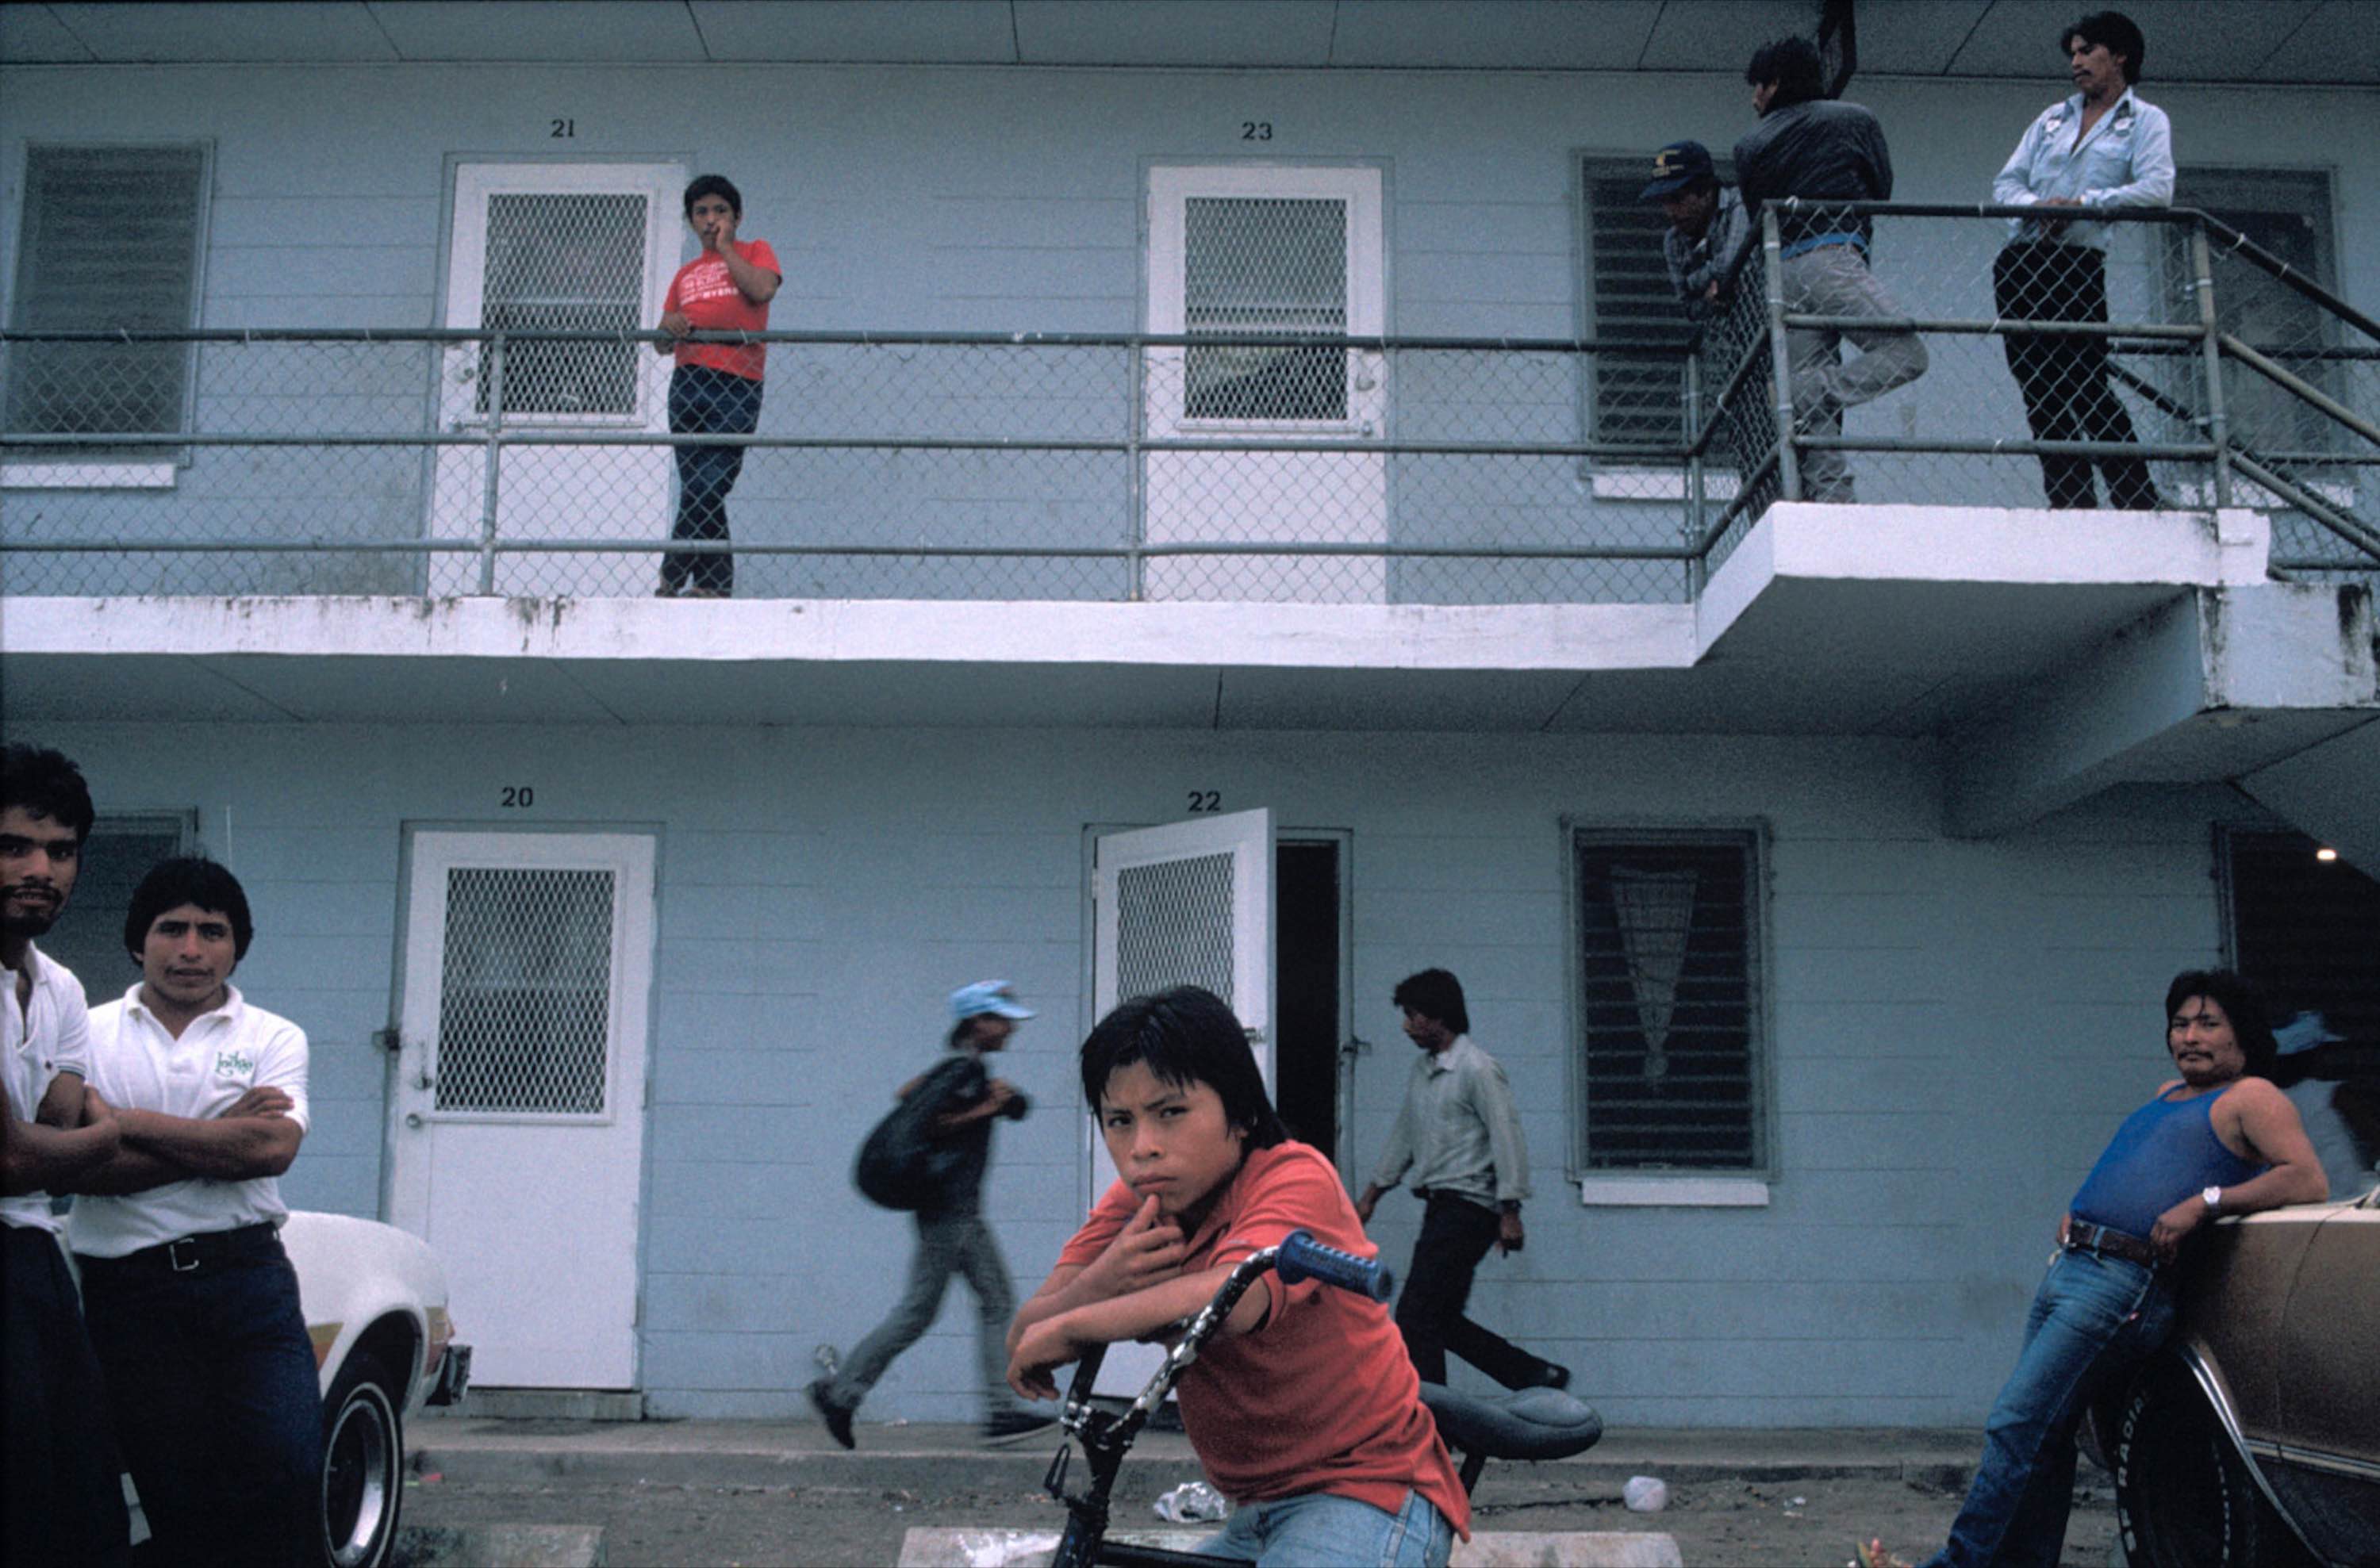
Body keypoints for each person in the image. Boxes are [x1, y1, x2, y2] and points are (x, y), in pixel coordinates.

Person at [1859, 971, 2327, 1568]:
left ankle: (1958, 1563)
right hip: (2074, 1267)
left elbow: (2306, 1178)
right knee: (2046, 1436)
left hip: (2122, 1283)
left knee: (2016, 1423)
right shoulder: (2167, 1093)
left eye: (2209, 1024)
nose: (2190, 1037)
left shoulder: (2252, 1096)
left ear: (2243, 1035)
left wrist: (2205, 1203)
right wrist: (2083, 1212)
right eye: (2180, 1024)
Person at [1008, 985, 1468, 1566]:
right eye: (1119, 1120)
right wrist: (1100, 1282)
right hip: (1257, 1509)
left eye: (1170, 1112)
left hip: (1368, 1490)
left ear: (1242, 1113)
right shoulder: (1138, 1203)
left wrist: (1074, 1326)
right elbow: (1025, 1337)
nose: (1142, 1148)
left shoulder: (1294, 1178)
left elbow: (1237, 1296)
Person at [71, 857, 325, 1568]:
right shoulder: (84, 1034)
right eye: (171, 928)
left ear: (236, 946)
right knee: (179, 1495)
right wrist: (220, 1133)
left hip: (249, 1283)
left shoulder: (274, 1037)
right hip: (131, 1293)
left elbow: (271, 1148)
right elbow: (82, 1170)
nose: (191, 949)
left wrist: (122, 1122)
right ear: (137, 941)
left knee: (289, 1466)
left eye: (212, 931)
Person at [811, 981, 1054, 1447]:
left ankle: (845, 1394)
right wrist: (988, 1107)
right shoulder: (966, 1070)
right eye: (1002, 1020)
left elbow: (908, 1095)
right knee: (935, 1310)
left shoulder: (959, 1068)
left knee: (964, 1305)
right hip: (950, 1212)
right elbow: (932, 1121)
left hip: (954, 1211)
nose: (1010, 1029)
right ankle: (845, 1395)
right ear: (977, 1022)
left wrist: (994, 1103)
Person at [1, 744, 132, 1568]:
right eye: (13, 846)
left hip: (33, 1252)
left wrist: (71, 1140)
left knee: (83, 1489)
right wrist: (109, 1134)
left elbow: (54, 1126)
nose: (40, 870)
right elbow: (18, 1160)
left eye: (60, 851)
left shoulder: (61, 987)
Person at [1733, 34, 1928, 502]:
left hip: (1780, 273)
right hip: (1833, 254)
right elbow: (1880, 188)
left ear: (1777, 83)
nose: (1754, 98)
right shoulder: (1854, 119)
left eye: (1759, 85)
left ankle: (1832, 497)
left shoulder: (1748, 145)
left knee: (1808, 408)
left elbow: (1755, 208)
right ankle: (1809, 392)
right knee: (1906, 352)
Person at [1990, 10, 2171, 511]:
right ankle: (2070, 499)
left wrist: (2085, 205)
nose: (2076, 62)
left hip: (2077, 263)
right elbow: (2007, 183)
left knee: (2086, 382)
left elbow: (2157, 189)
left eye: (2087, 51)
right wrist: (2038, 207)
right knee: (2037, 387)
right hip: (2023, 260)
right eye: (2072, 53)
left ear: (2120, 56)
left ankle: (2135, 496)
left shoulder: (2145, 120)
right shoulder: (2053, 118)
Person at [1356, 968, 1568, 1394]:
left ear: (1439, 1016)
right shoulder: (1424, 1072)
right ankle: (1533, 1375)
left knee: (1416, 1315)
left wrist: (1510, 1211)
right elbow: (1404, 1136)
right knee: (1441, 1318)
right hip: (1441, 1208)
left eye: (1413, 1015)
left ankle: (1433, 1416)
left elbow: (1507, 1137)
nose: (1406, 1026)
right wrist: (1372, 1196)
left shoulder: (1478, 1069)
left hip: (1469, 1209)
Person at [653, 173, 780, 599]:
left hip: (736, 381)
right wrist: (668, 327)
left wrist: (726, 249)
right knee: (698, 487)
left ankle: (672, 571)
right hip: (688, 380)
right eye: (702, 212)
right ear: (691, 221)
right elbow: (660, 343)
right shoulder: (685, 274)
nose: (711, 220)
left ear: (737, 217)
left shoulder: (755, 251)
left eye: (720, 211)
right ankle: (713, 584)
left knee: (711, 482)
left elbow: (763, 290)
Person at [1644, 140, 1749, 320]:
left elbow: (1730, 264)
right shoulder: (1673, 240)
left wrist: (1692, 281)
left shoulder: (1738, 204)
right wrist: (1708, 300)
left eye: (1678, 199)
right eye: (1664, 202)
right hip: (1729, 332)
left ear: (1705, 190)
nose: (1670, 212)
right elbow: (1688, 308)